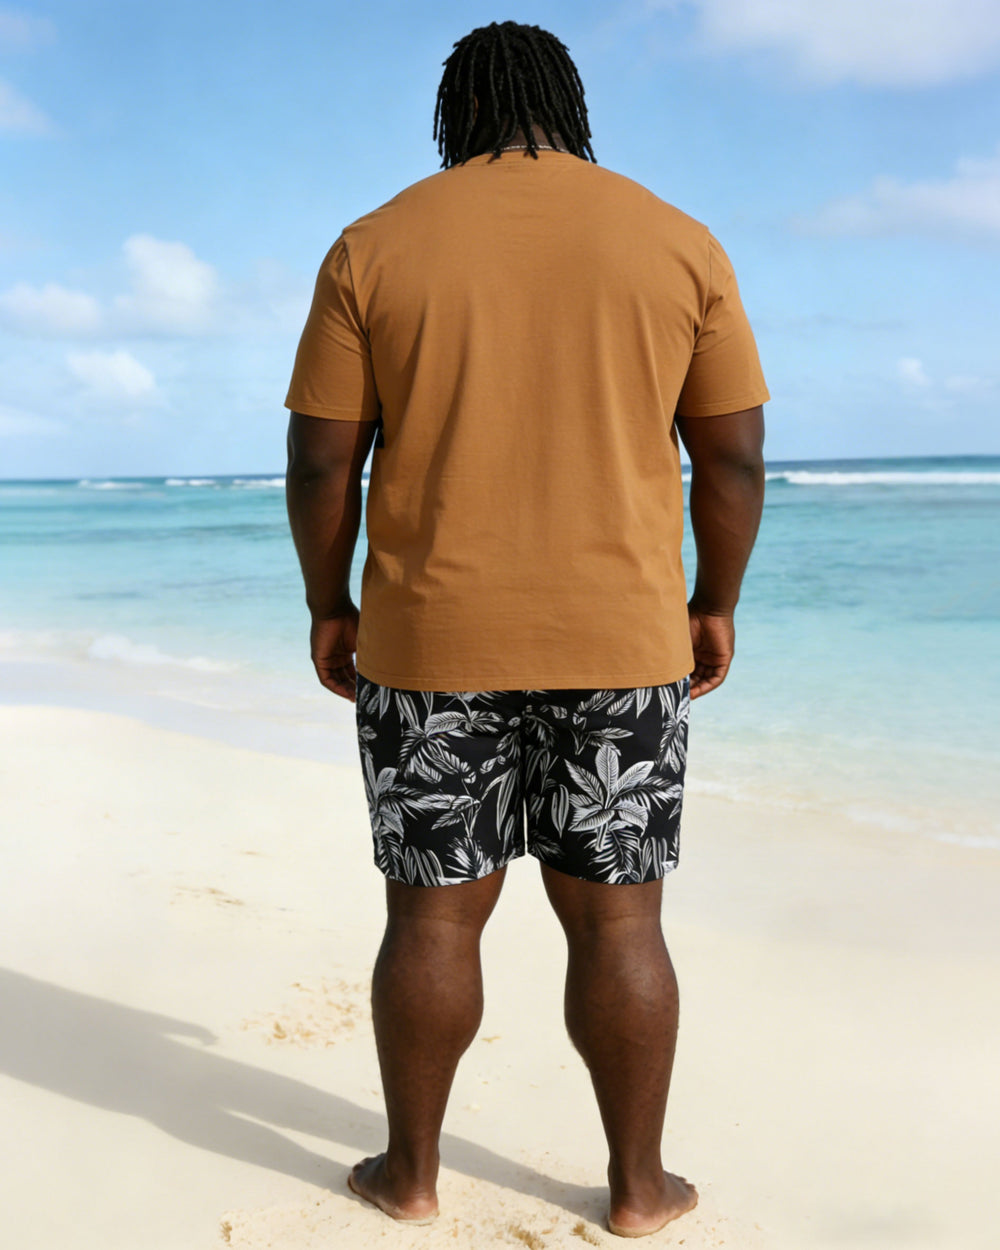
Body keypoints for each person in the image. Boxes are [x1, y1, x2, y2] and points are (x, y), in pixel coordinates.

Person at [285, 19, 767, 1239]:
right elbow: (731, 458)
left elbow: (323, 460)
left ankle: (409, 1175)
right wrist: (714, 598)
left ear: (455, 113)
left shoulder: (374, 245)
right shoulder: (677, 241)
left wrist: (329, 601)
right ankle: (638, 1188)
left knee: (431, 914)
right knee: (621, 918)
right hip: (622, 642)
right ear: (570, 104)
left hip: (429, 642)